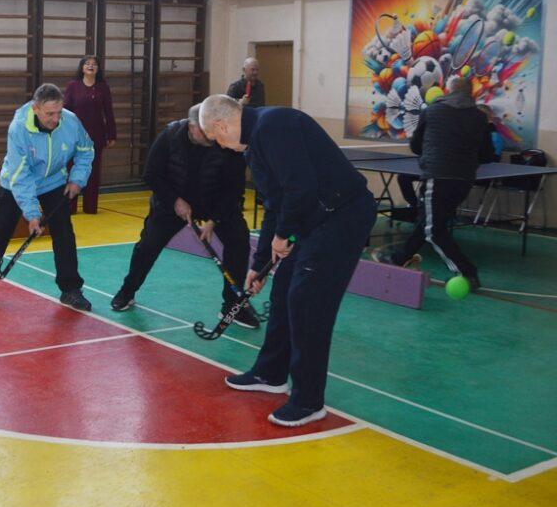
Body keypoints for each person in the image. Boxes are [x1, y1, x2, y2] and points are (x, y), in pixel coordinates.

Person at [200, 95, 376, 427]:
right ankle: (270, 374)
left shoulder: (274, 125)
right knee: (282, 293)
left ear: (221, 125)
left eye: (217, 139)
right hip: (314, 219)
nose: (221, 146)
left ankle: (309, 401)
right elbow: (275, 204)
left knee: (307, 301)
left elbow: (300, 187)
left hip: (342, 218)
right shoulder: (256, 143)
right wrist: (261, 261)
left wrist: (284, 235)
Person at [110, 104, 259, 329]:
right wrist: (175, 201)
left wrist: (214, 220)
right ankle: (127, 291)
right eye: (204, 130)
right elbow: (151, 175)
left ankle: (233, 306)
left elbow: (234, 188)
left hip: (215, 203)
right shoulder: (170, 136)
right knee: (148, 244)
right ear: (191, 127)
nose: (211, 135)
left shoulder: (224, 141)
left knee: (238, 239)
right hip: (172, 201)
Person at [0, 83, 94, 310]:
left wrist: (77, 179)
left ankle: (71, 289)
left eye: (58, 112)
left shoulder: (71, 122)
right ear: (35, 109)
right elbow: (21, 176)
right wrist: (32, 214)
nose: (55, 119)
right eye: (49, 114)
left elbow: (86, 149)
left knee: (64, 233)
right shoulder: (19, 129)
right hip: (15, 183)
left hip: (53, 182)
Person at [371, 75, 494, 289]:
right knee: (430, 222)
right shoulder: (479, 117)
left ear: (449, 90)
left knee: (432, 230)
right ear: (469, 93)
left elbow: (416, 146)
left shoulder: (433, 111)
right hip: (463, 181)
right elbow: (486, 154)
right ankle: (400, 258)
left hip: (438, 176)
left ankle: (467, 271)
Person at [64, 56, 115, 214]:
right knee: (72, 170)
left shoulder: (103, 87)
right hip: (74, 136)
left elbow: (109, 112)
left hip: (96, 136)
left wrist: (111, 135)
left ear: (98, 69)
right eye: (87, 64)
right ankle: (69, 207)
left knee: (93, 172)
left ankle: (90, 207)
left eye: (94, 64)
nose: (90, 66)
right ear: (82, 67)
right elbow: (65, 110)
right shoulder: (73, 86)